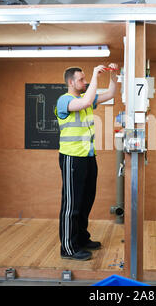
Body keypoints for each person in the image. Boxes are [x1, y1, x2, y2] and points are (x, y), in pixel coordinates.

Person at [55, 63, 118, 260]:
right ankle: (68, 247)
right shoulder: (64, 100)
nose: (85, 82)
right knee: (72, 205)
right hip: (72, 158)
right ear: (70, 82)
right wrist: (95, 76)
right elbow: (85, 102)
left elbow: (110, 93)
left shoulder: (85, 98)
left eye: (85, 79)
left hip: (88, 157)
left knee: (85, 202)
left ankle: (81, 239)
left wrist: (114, 75)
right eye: (81, 79)